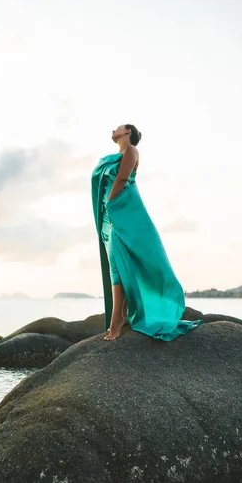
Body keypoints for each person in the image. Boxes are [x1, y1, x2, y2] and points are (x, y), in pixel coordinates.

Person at [91, 123, 203, 341]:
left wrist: (111, 202)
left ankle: (117, 321)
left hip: (125, 209)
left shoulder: (131, 150)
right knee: (116, 264)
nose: (113, 129)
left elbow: (122, 179)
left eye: (118, 127)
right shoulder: (111, 157)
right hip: (111, 215)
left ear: (128, 133)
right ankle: (120, 316)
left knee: (126, 260)